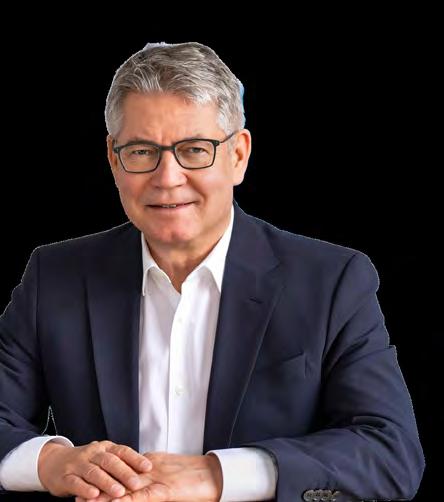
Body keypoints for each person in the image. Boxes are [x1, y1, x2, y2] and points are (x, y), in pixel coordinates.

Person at [0, 41, 424, 502]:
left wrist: (214, 475)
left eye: (194, 150)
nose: (167, 178)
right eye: (141, 151)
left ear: (238, 155)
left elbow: (390, 451)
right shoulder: (54, 277)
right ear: (113, 159)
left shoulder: (332, 281)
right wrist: (51, 462)